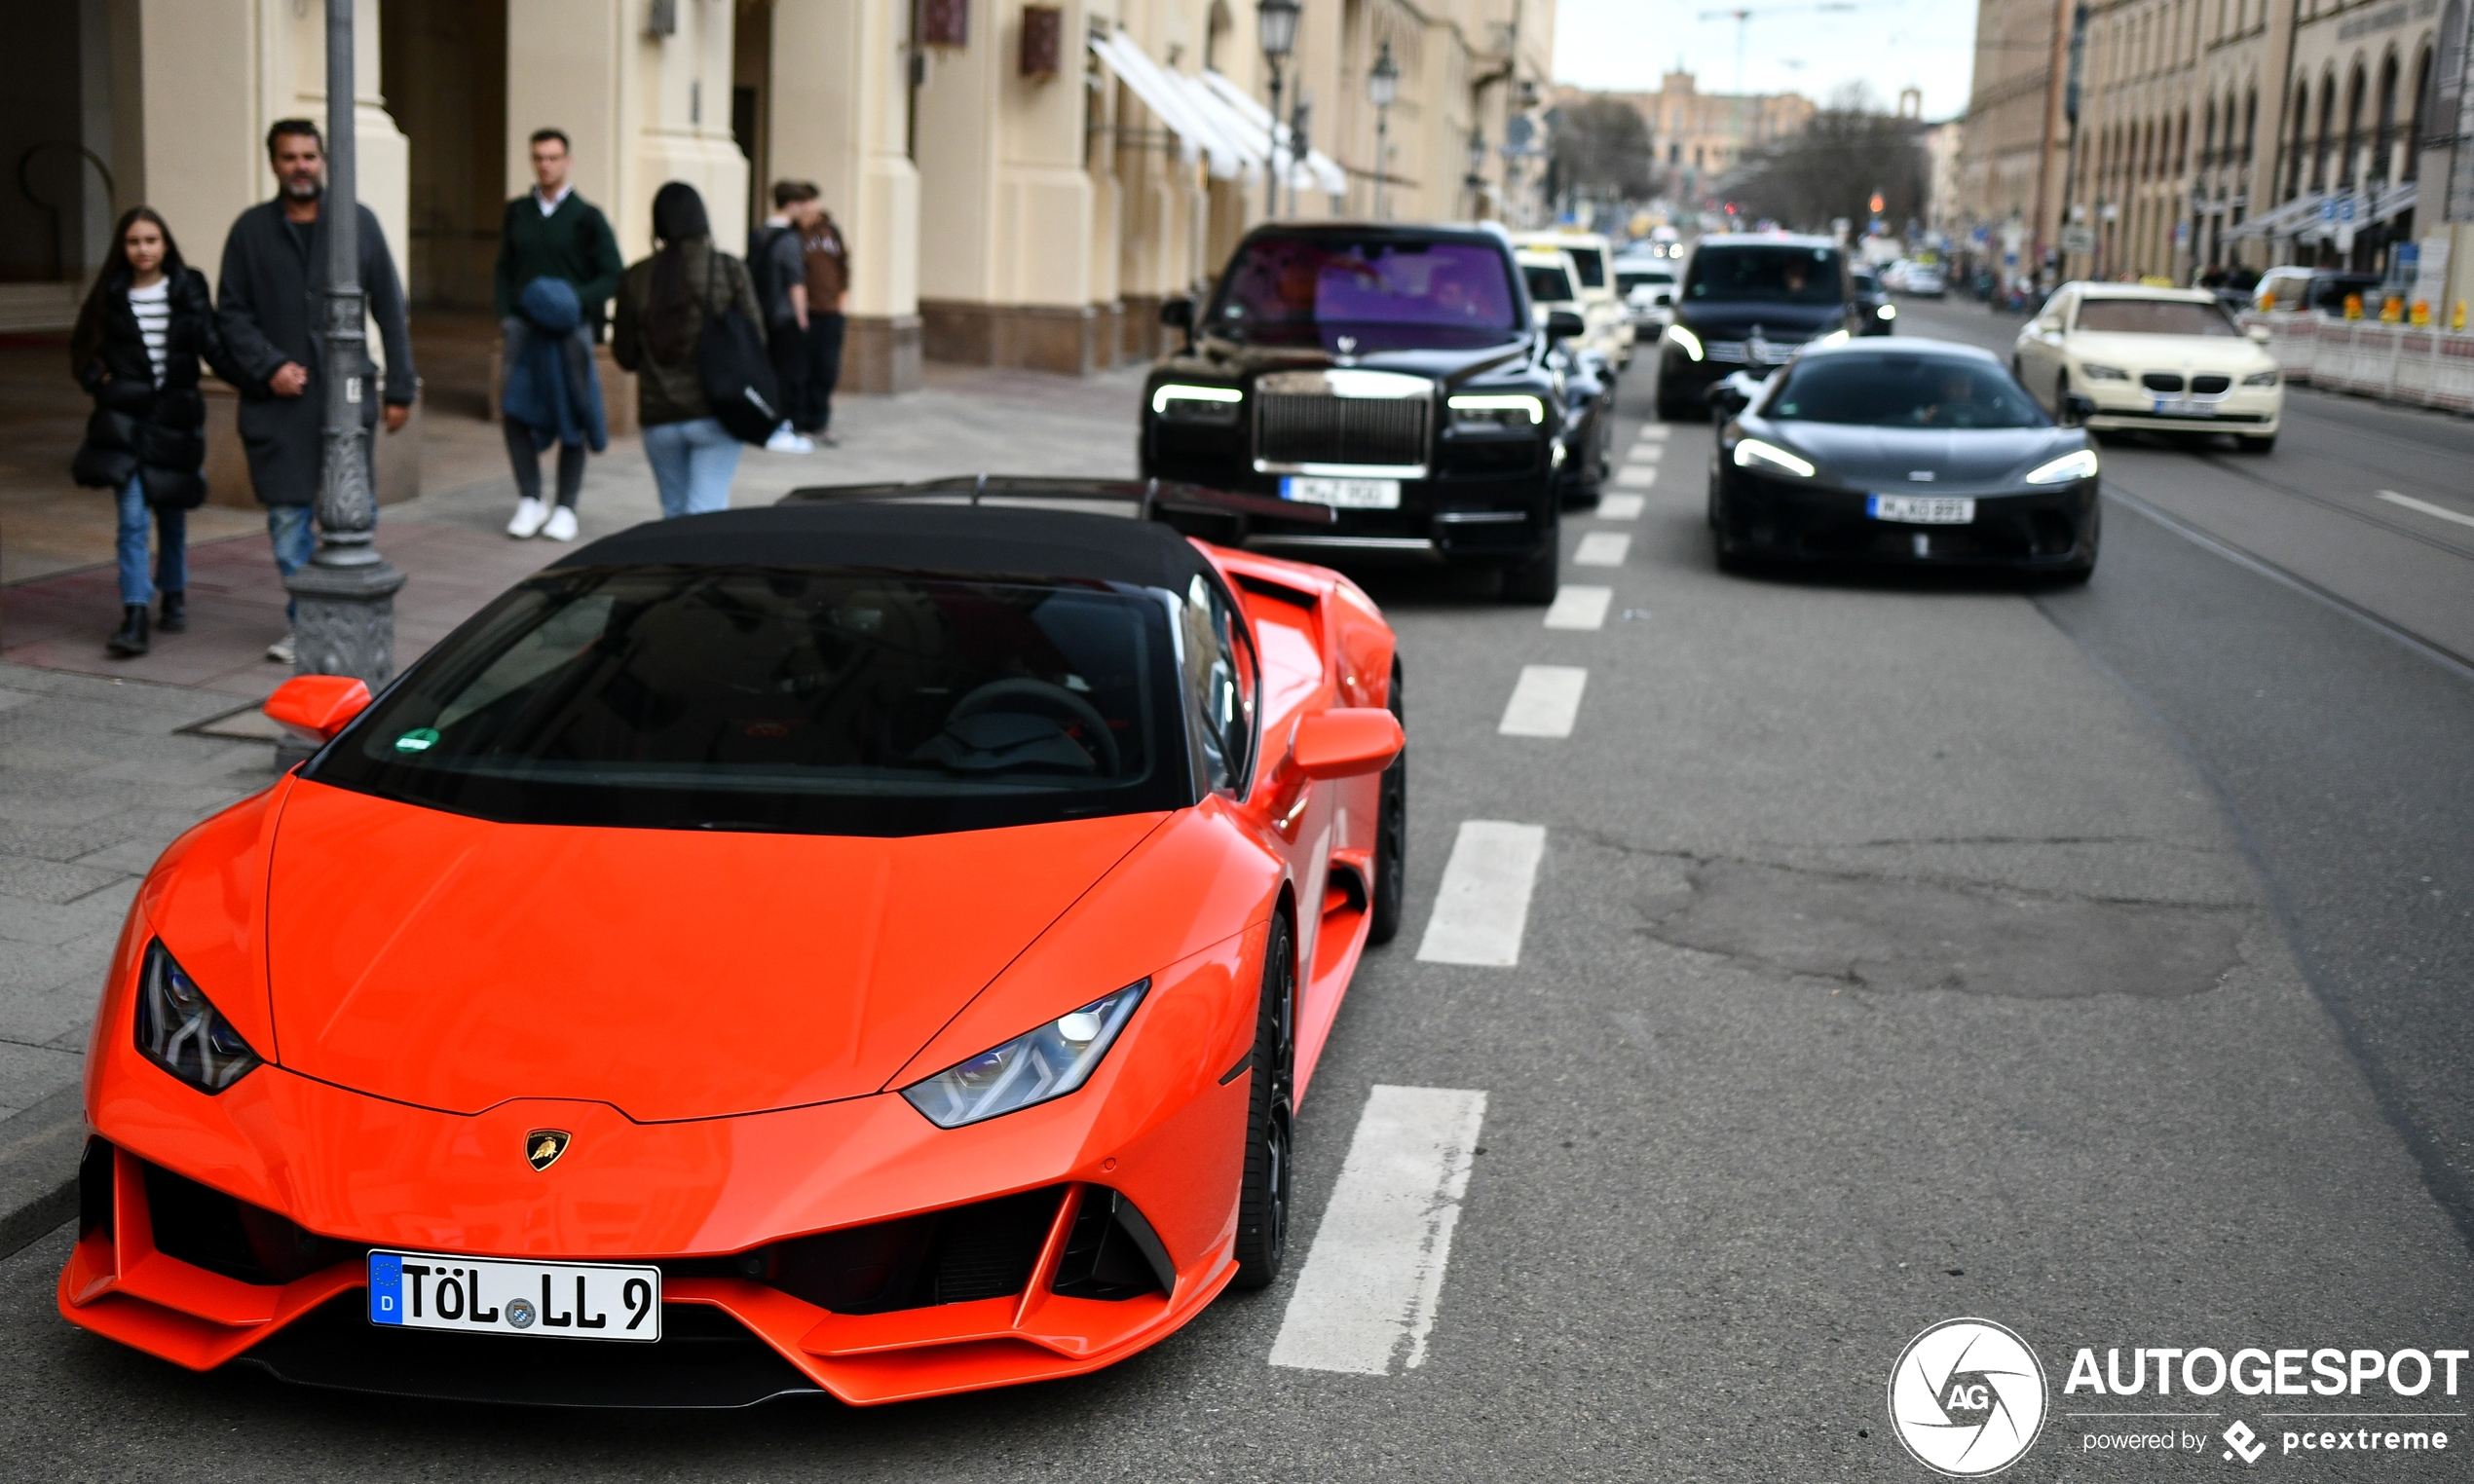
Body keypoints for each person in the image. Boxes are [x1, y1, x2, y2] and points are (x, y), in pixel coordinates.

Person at [216, 119, 416, 665]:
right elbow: (230, 313)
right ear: (273, 163)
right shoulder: (250, 231)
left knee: (354, 511)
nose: (300, 166)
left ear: (323, 159)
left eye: (308, 156)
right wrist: (268, 365)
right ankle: (305, 620)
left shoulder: (357, 222)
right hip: (278, 405)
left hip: (346, 399)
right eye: (289, 157)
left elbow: (390, 308)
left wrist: (399, 385)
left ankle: (346, 612)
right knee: (286, 519)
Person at [69, 206, 245, 657]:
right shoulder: (110, 293)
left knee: (171, 514)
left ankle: (175, 592)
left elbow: (212, 344)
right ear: (122, 248)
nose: (143, 249)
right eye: (133, 241)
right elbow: (82, 349)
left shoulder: (188, 286)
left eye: (151, 240)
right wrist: (100, 380)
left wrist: (258, 380)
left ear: (165, 244)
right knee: (131, 521)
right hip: (124, 426)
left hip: (174, 421)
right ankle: (134, 614)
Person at [493, 128, 624, 541]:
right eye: (539, 157)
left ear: (567, 161)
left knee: (573, 414)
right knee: (514, 410)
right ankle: (530, 499)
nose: (545, 165)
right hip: (524, 331)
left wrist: (570, 301)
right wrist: (507, 314)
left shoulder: (587, 217)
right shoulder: (517, 212)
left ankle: (566, 506)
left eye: (553, 157)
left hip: (570, 333)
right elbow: (504, 268)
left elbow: (612, 274)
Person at [612, 182, 764, 518]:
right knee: (707, 514)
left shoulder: (636, 277)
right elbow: (756, 339)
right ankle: (705, 572)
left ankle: (679, 571)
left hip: (658, 415)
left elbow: (624, 355)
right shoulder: (728, 268)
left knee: (674, 513)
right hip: (718, 412)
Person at [748, 181, 814, 454]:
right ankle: (781, 426)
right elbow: (795, 281)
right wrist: (803, 317)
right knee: (786, 375)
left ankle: (763, 422)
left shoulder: (757, 234)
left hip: (759, 315)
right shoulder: (790, 239)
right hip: (784, 317)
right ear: (792, 205)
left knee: (764, 372)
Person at [797, 187, 849, 446]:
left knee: (827, 370)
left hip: (831, 313)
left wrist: (841, 301)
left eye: (812, 200)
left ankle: (819, 422)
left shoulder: (831, 230)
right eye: (804, 201)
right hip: (807, 314)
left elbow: (843, 265)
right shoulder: (795, 234)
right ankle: (801, 421)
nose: (809, 206)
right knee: (803, 369)